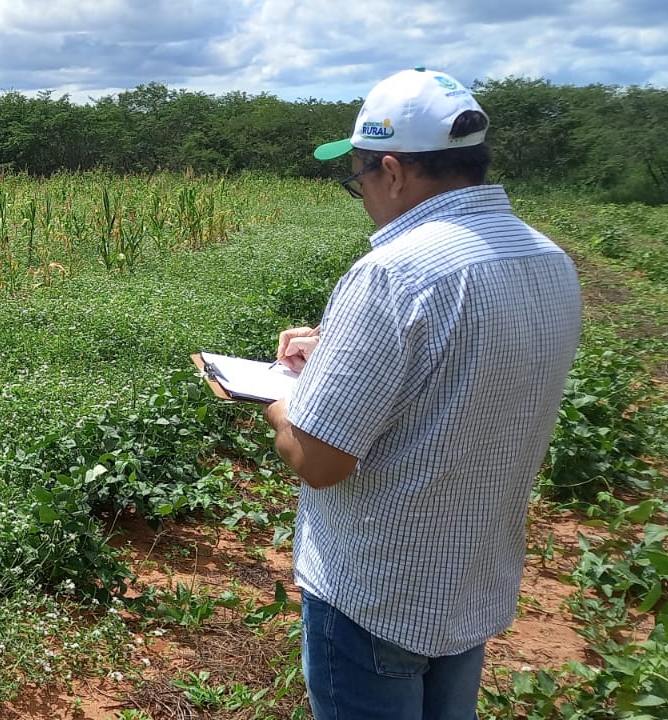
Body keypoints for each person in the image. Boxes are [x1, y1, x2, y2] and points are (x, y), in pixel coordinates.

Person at [261, 68, 583, 719]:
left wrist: (281, 394)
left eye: (359, 182)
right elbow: (463, 372)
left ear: (393, 170)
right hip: (468, 586)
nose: (366, 197)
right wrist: (344, 352)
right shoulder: (548, 260)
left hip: (375, 597)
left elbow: (320, 462)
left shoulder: (392, 274)